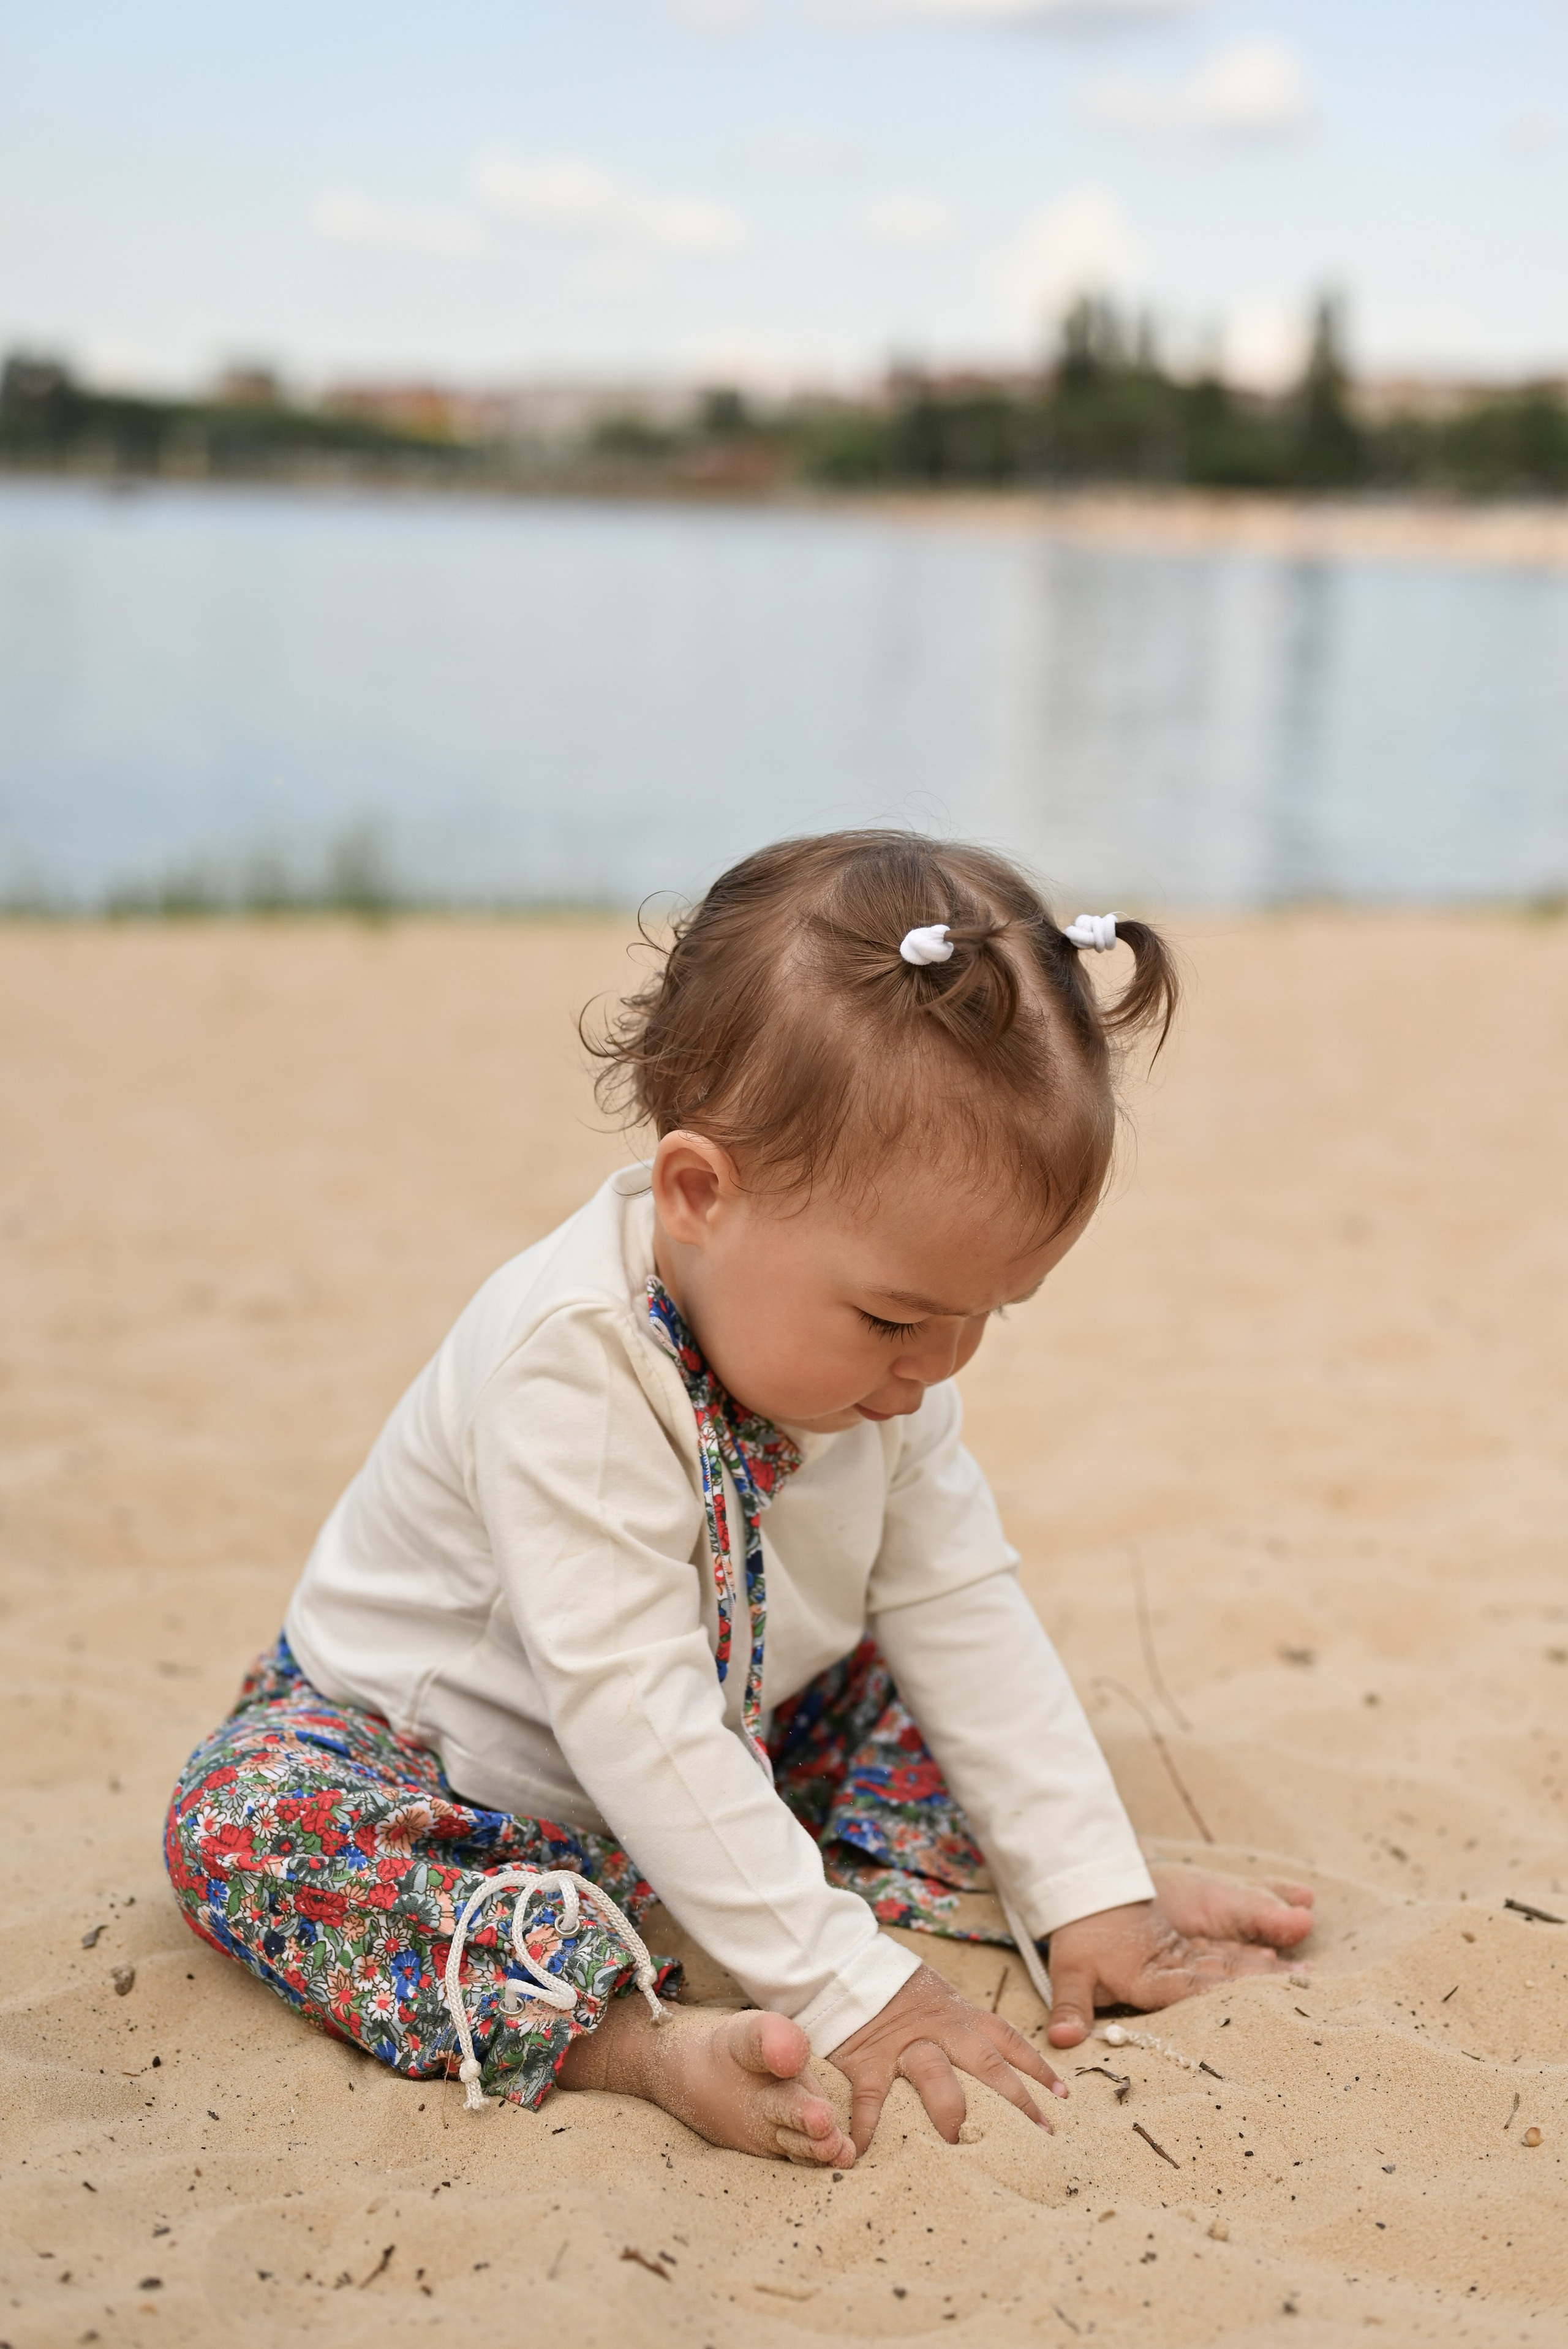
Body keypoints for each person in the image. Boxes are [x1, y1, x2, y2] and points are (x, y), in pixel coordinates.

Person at [164, 829, 1313, 2169]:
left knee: (922, 1705)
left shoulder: (880, 1363)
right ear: (700, 1192)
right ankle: (632, 2044)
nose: (938, 1365)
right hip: (448, 1770)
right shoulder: (576, 1361)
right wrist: (855, 1992)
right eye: (895, 1316)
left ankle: (1048, 1894)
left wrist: (1087, 1886)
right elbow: (632, 1710)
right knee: (240, 1828)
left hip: (742, 1724)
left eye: (987, 1313)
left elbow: (955, 1601)